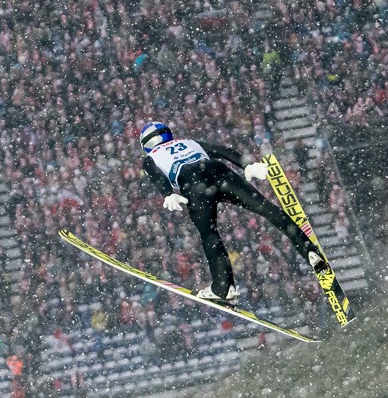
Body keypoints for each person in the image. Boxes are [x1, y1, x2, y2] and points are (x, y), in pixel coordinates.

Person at [139, 122, 327, 306]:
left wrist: (168, 193)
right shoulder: (188, 142)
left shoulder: (150, 157)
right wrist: (247, 165)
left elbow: (157, 176)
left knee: (209, 234)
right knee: (266, 208)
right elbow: (223, 151)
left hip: (193, 182)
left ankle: (224, 287)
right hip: (217, 170)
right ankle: (310, 251)